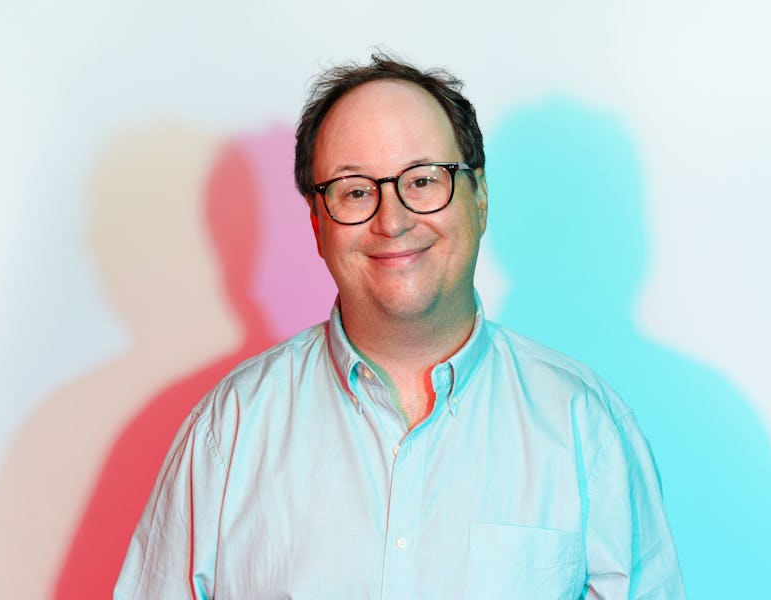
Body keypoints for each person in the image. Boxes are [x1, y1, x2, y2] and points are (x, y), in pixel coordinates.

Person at [115, 54, 685, 599]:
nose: (392, 220)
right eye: (356, 190)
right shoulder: (229, 431)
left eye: (422, 180)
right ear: (316, 225)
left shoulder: (587, 428)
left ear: (481, 198)